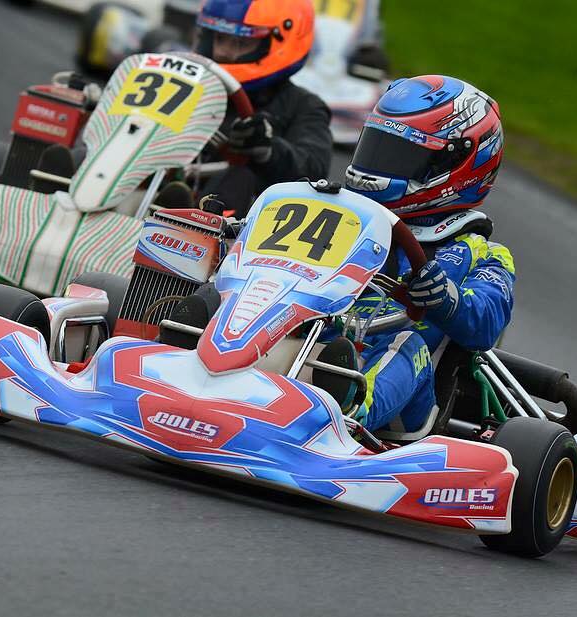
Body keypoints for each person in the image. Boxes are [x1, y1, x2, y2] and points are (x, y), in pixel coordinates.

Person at [337, 74, 514, 436]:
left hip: (405, 400)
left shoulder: (481, 253)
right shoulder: (342, 218)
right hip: (321, 342)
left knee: (407, 343)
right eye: (377, 147)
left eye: (399, 156)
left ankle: (347, 411)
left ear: (457, 165)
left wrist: (447, 298)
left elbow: (487, 321)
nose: (380, 165)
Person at [191, 0, 333, 215]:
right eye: (219, 38)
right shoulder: (190, 85)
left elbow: (313, 171)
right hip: (164, 188)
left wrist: (268, 149)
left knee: (239, 175)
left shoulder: (304, 106)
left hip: (238, 220)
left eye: (240, 42)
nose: (225, 52)